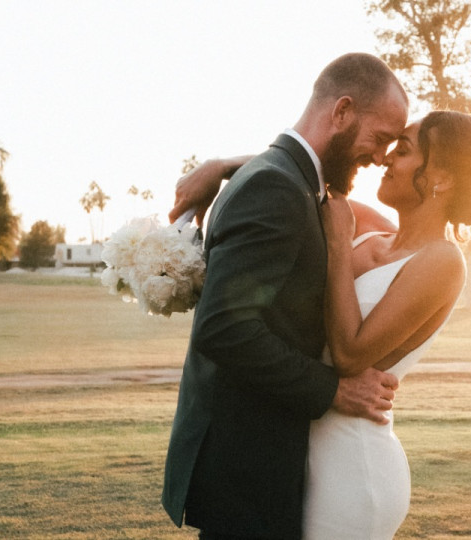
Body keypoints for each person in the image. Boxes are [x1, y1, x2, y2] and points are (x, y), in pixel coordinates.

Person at [172, 111, 471, 539]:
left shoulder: (442, 261)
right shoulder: (372, 231)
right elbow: (293, 170)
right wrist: (219, 166)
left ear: (443, 177)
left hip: (353, 466)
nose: (385, 159)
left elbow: (349, 354)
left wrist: (338, 245)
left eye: (402, 151)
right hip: (303, 450)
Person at [161, 52, 409, 540]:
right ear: (340, 112)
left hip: (254, 459)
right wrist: (335, 390)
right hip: (247, 464)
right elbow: (225, 327)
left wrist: (225, 162)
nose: (381, 156)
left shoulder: (288, 179)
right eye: (379, 139)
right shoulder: (277, 187)